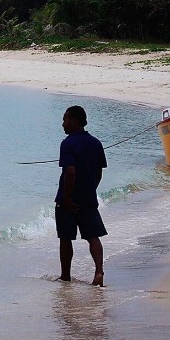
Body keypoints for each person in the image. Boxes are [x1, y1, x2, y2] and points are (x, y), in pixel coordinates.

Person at [56, 105, 109, 286]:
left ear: (75, 121)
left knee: (65, 238)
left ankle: (65, 276)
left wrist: (68, 198)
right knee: (93, 236)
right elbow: (99, 172)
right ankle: (99, 272)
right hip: (88, 198)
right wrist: (90, 189)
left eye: (65, 119)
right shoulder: (96, 143)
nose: (63, 124)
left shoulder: (67, 143)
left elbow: (70, 172)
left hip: (68, 200)